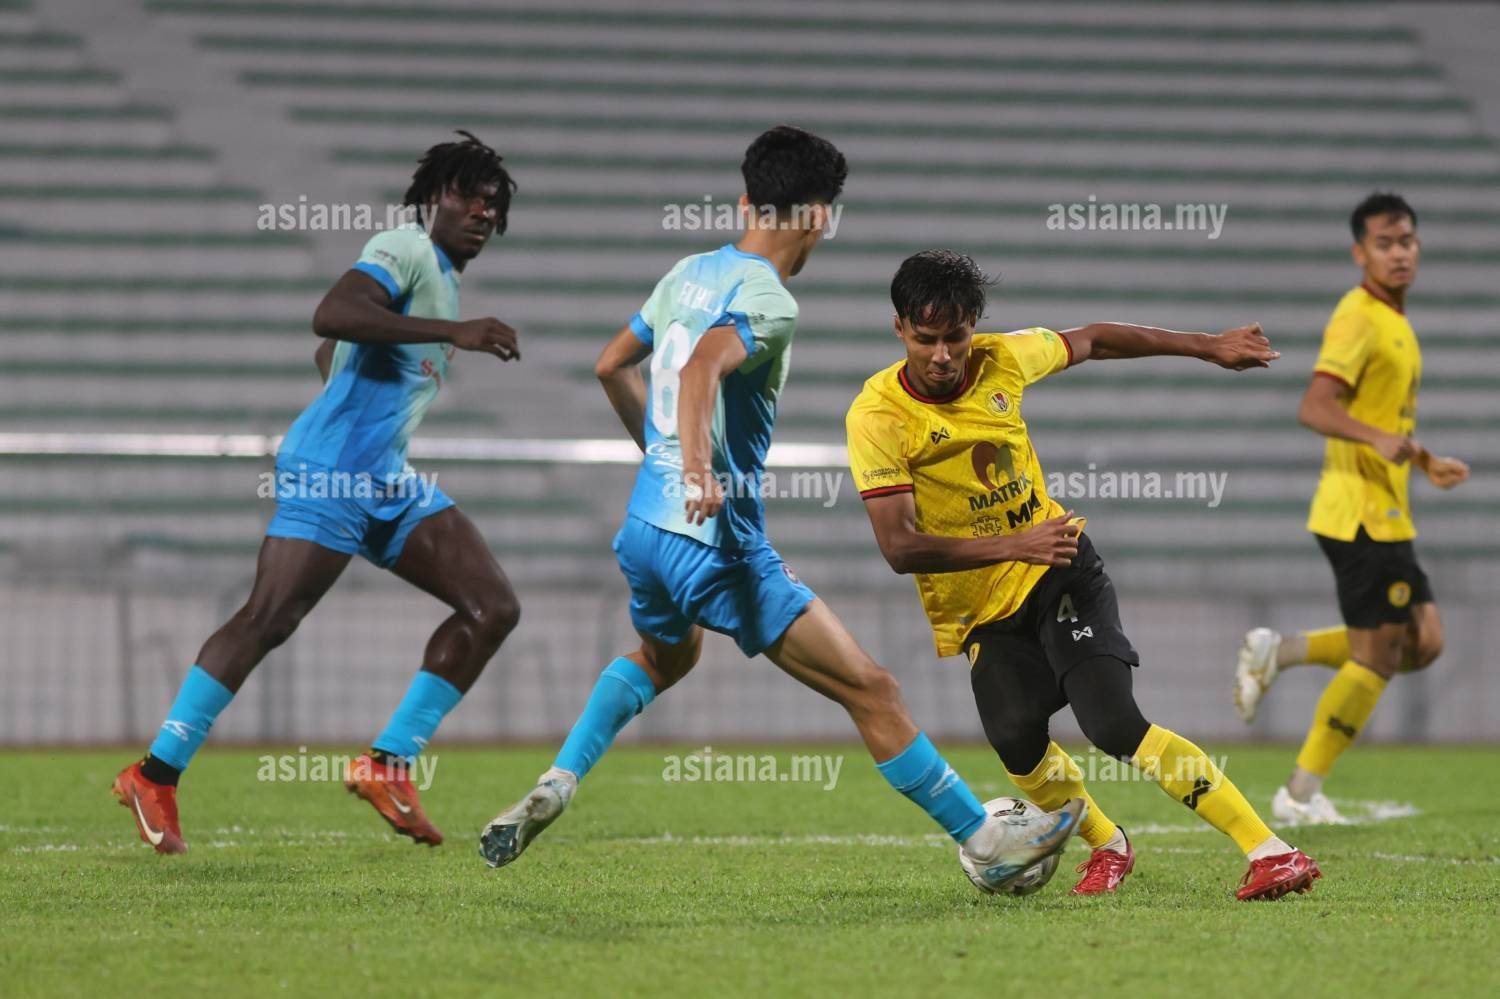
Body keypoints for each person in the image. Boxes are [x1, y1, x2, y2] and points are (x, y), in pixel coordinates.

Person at [480, 128, 1081, 889]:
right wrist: (696, 470)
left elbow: (611, 365)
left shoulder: (688, 272)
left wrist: (665, 461)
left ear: (746, 202)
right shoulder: (769, 300)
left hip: (643, 531)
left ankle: (560, 779)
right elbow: (701, 367)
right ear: (821, 217)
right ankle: (990, 845)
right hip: (715, 543)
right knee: (872, 689)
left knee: (665, 657)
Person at [845, 249, 1319, 900]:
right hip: (983, 607)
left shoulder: (1004, 359)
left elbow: (1095, 339)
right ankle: (1109, 845)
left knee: (1114, 724)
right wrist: (1014, 542)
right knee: (1016, 742)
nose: (943, 355)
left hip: (1058, 567)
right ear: (900, 328)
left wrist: (1207, 346)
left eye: (956, 336)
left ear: (975, 326)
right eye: (926, 338)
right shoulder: (877, 416)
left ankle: (1271, 850)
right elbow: (900, 547)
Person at [113, 132, 525, 853]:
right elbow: (332, 315)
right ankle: (155, 774)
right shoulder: (404, 248)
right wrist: (452, 333)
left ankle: (387, 763)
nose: (482, 212)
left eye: (493, 204)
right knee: (269, 617)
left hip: (386, 477)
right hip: (333, 470)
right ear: (434, 198)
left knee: (493, 607)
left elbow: (330, 353)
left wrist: (358, 389)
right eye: (469, 196)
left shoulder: (441, 276)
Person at [1232, 192, 1469, 824]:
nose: (1399, 253)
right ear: (1360, 253)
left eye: (1406, 241)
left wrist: (1424, 460)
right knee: (1377, 657)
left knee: (1425, 643)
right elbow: (1315, 406)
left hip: (1387, 509)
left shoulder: (1396, 321)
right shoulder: (1359, 316)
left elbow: (1384, 420)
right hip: (1359, 513)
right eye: (1384, 244)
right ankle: (1299, 794)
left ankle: (1280, 652)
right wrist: (1376, 441)